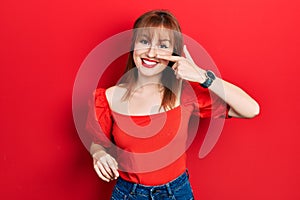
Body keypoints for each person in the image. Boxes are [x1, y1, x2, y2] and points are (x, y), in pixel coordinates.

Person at [87, 10, 260, 200]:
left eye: (162, 45)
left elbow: (251, 109)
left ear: (174, 53)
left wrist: (203, 76)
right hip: (128, 194)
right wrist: (98, 154)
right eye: (144, 41)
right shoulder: (108, 98)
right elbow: (98, 143)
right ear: (133, 45)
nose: (151, 53)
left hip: (176, 193)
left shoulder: (184, 92)